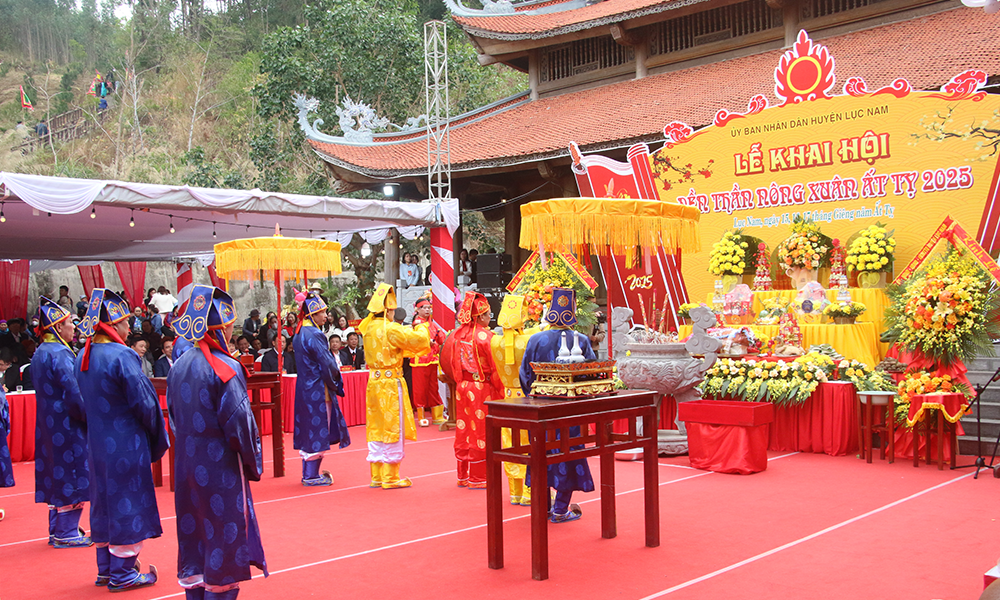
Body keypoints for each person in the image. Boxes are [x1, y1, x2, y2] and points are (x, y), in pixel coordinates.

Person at [169, 285, 268, 600]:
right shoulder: (227, 368)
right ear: (222, 328)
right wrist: (253, 463)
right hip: (219, 467)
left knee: (194, 531)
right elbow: (240, 424)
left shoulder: (179, 365)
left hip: (186, 464)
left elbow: (172, 414)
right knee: (224, 536)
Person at [76, 288, 167, 590]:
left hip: (98, 443)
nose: (130, 329)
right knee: (128, 502)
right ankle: (124, 572)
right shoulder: (122, 356)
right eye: (126, 323)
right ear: (112, 326)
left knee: (103, 502)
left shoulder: (82, 357)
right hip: (125, 443)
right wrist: (156, 434)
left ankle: (106, 568)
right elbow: (144, 402)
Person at [519, 288, 596, 523]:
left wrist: (535, 397)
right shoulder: (581, 340)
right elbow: (590, 373)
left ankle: (542, 508)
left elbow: (525, 375)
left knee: (541, 455)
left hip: (541, 410)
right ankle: (561, 509)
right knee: (568, 454)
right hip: (569, 411)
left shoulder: (535, 339)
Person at [33, 297, 92, 548]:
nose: (74, 328)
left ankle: (57, 527)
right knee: (73, 473)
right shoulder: (61, 354)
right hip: (67, 424)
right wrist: (89, 417)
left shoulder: (39, 352)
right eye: (70, 323)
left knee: (56, 472)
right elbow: (75, 393)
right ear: (57, 328)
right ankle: (66, 532)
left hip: (49, 423)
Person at [357, 283, 430, 489]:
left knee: (376, 427)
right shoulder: (391, 328)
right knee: (392, 427)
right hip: (390, 384)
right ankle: (390, 477)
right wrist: (422, 325)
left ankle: (377, 475)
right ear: (388, 310)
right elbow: (418, 340)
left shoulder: (367, 327)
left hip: (374, 382)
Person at [293, 293, 350, 486]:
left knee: (309, 428)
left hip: (304, 387)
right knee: (318, 428)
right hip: (317, 388)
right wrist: (337, 381)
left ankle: (309, 472)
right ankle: (310, 475)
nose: (325, 315)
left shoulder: (299, 331)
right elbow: (327, 364)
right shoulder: (315, 334)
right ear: (311, 314)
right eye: (321, 312)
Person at [447, 291, 502, 489]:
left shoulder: (457, 335)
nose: (490, 318)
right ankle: (479, 477)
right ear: (479, 317)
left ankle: (463, 474)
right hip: (481, 388)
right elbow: (496, 368)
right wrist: (501, 390)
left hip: (463, 386)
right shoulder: (487, 337)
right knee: (480, 430)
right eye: (487, 315)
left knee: (464, 429)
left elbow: (453, 364)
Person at [489, 295, 537, 506]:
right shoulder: (526, 341)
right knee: (528, 445)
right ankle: (529, 490)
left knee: (511, 445)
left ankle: (515, 492)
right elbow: (533, 335)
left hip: (507, 398)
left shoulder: (495, 341)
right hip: (525, 399)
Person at [410, 293, 446, 426]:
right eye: (424, 308)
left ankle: (437, 415)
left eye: (428, 307)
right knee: (420, 389)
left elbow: (441, 338)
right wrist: (431, 342)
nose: (427, 310)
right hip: (420, 360)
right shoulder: (417, 324)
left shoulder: (432, 324)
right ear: (417, 310)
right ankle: (421, 416)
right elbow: (421, 340)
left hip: (432, 360)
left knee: (433, 387)